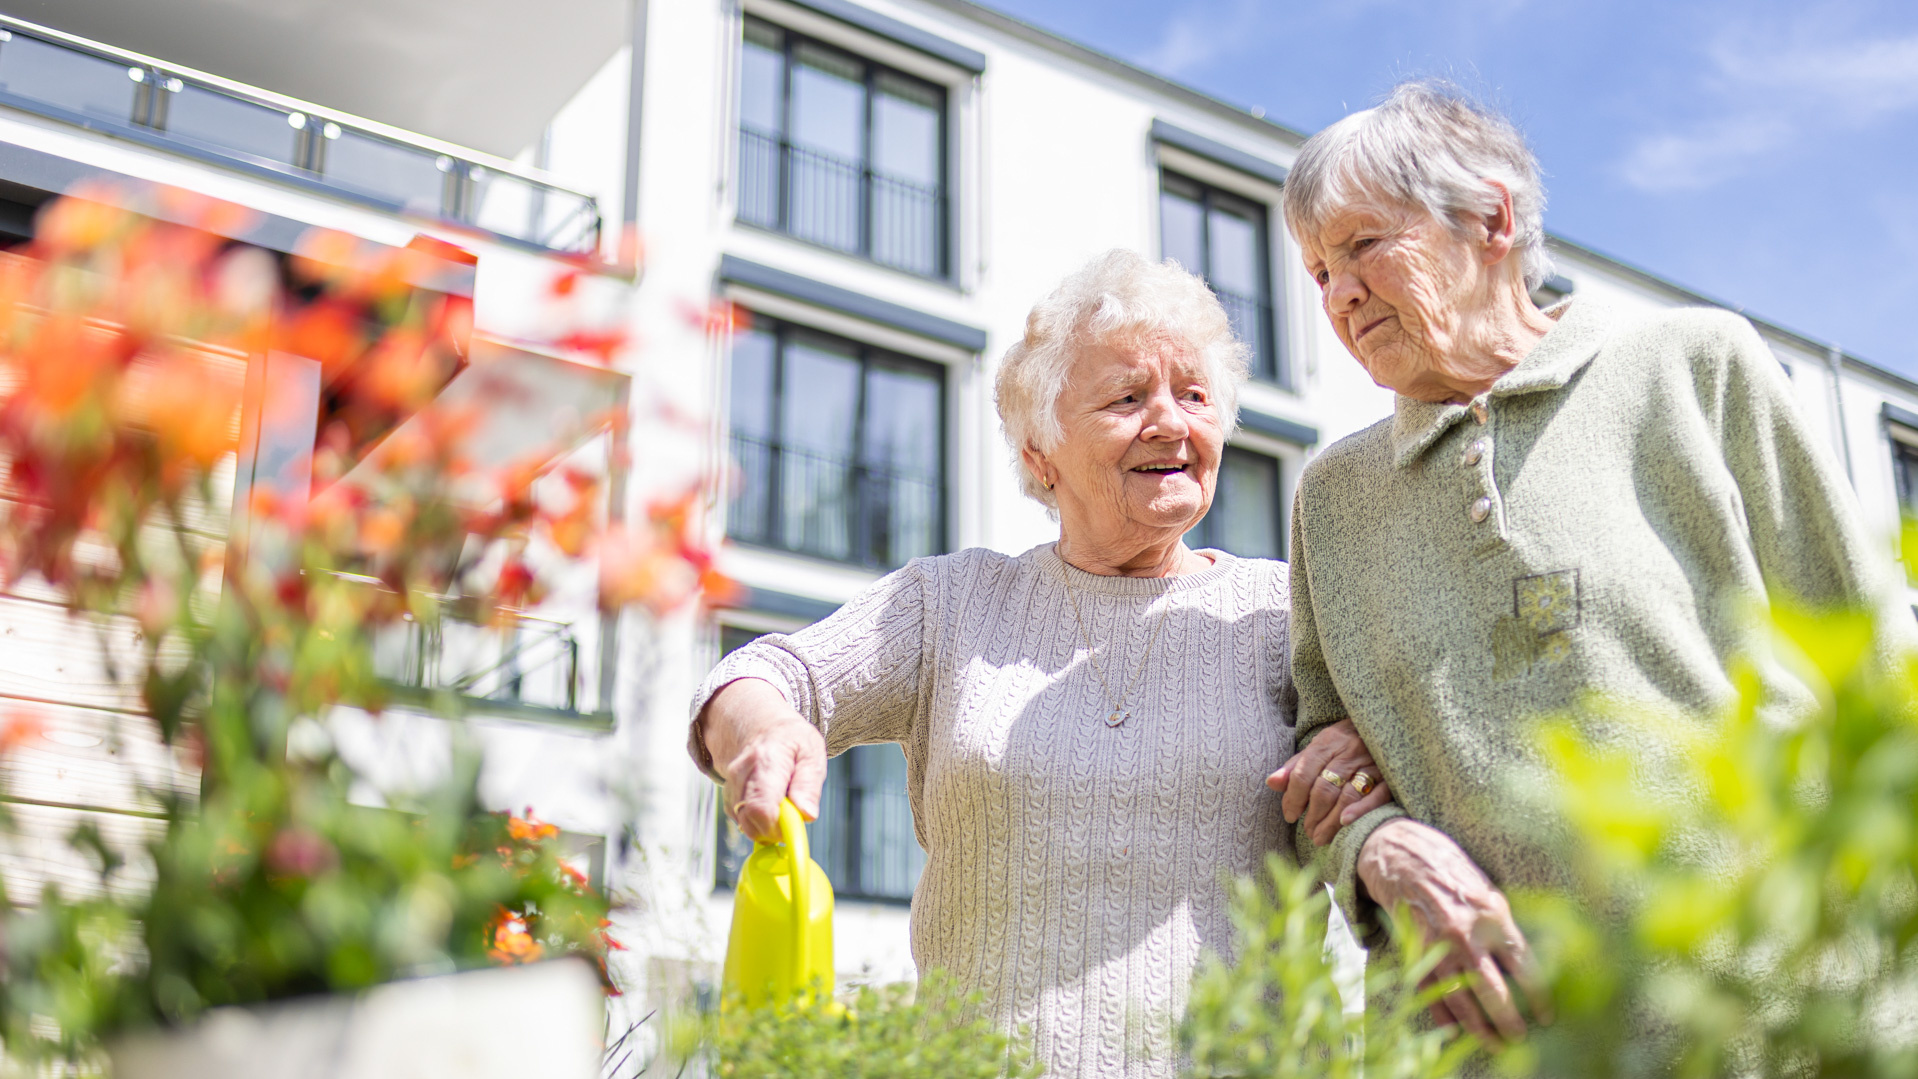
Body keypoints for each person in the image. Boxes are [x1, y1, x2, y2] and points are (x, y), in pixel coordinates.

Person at [1271, 79, 1913, 1052]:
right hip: (1502, 1045)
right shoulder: (1331, 497)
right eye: (1317, 271)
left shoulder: (1692, 364)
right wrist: (1378, 849)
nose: (1340, 292)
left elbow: (1873, 675)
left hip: (1779, 1019)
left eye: (1362, 244)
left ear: (1490, 218)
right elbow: (1325, 773)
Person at [690, 250, 1389, 1078]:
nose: (1171, 422)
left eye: (1194, 396)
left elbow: (1410, 759)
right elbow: (764, 673)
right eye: (1128, 398)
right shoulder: (952, 603)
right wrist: (761, 729)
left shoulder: (1285, 613)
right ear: (1039, 451)